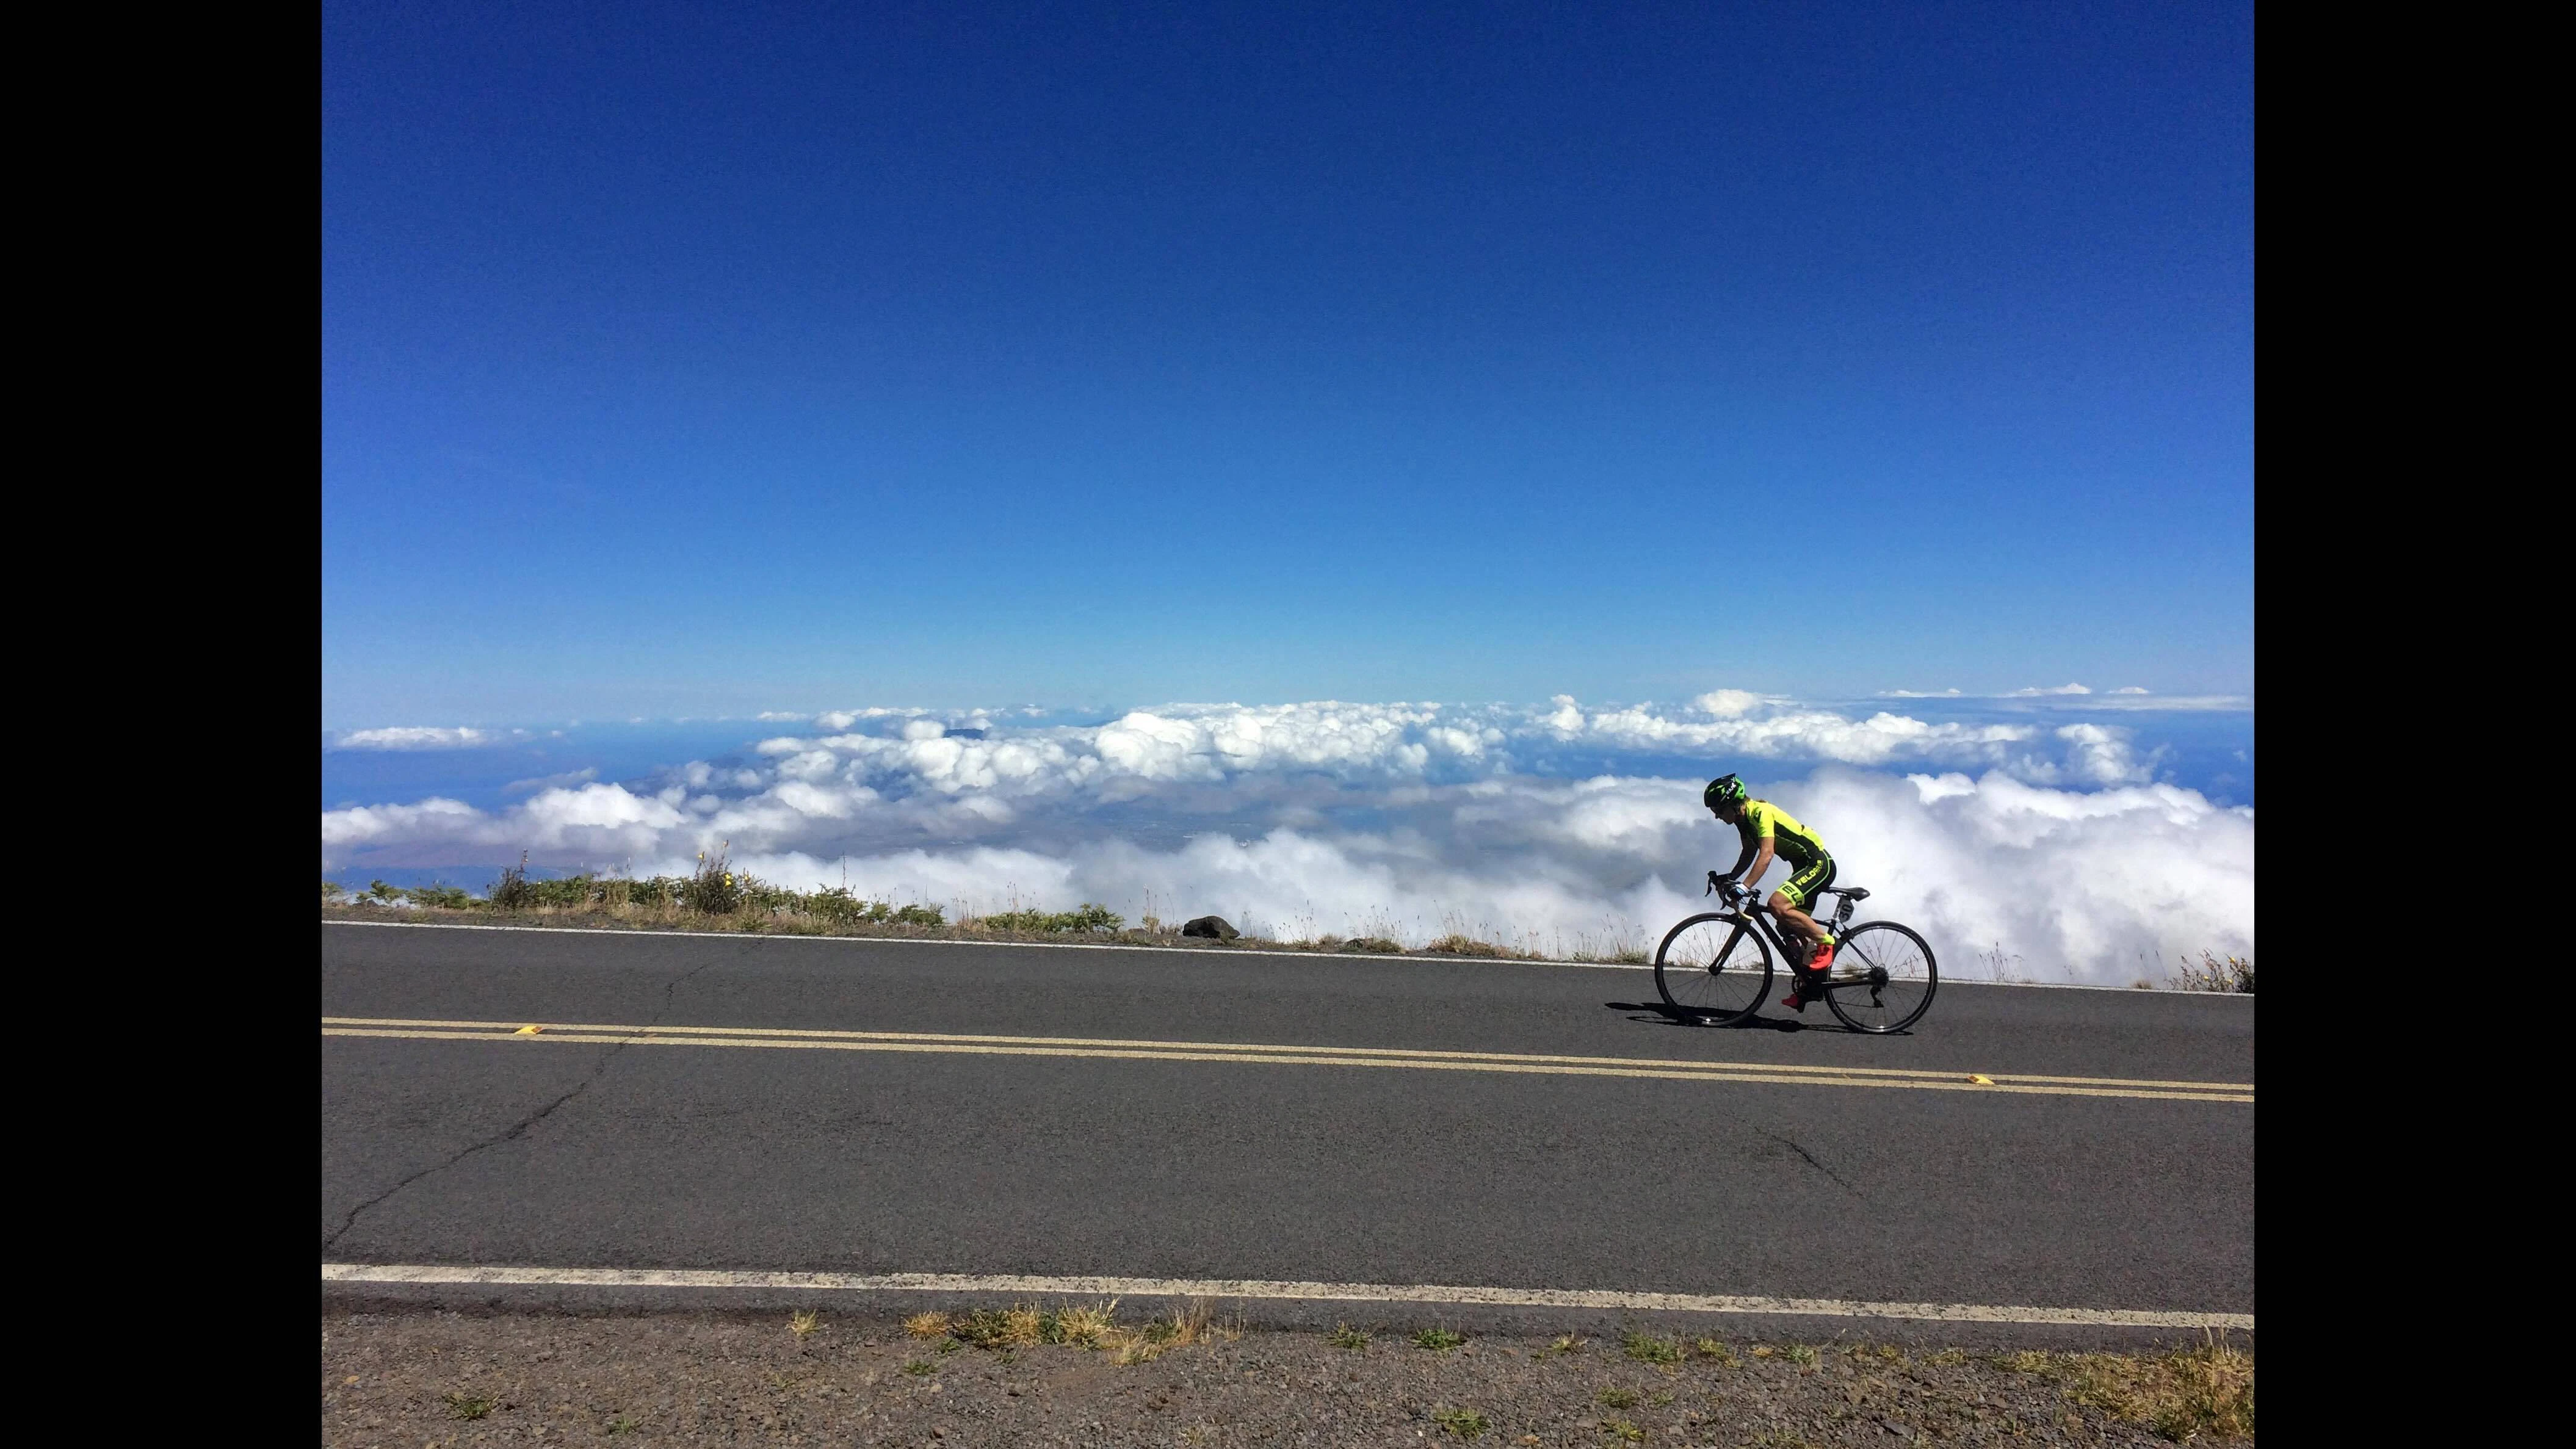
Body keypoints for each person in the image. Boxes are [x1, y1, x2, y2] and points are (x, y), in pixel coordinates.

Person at [1702, 773, 1839, 1011]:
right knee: (1787, 927)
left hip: (1818, 864)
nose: (1716, 815)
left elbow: (1766, 854)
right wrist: (1730, 879)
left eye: (1718, 809)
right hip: (1804, 866)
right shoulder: (1742, 821)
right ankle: (1812, 984)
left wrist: (1744, 887)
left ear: (1733, 804)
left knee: (1777, 905)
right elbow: (1748, 854)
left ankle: (1827, 943)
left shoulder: (1760, 813)